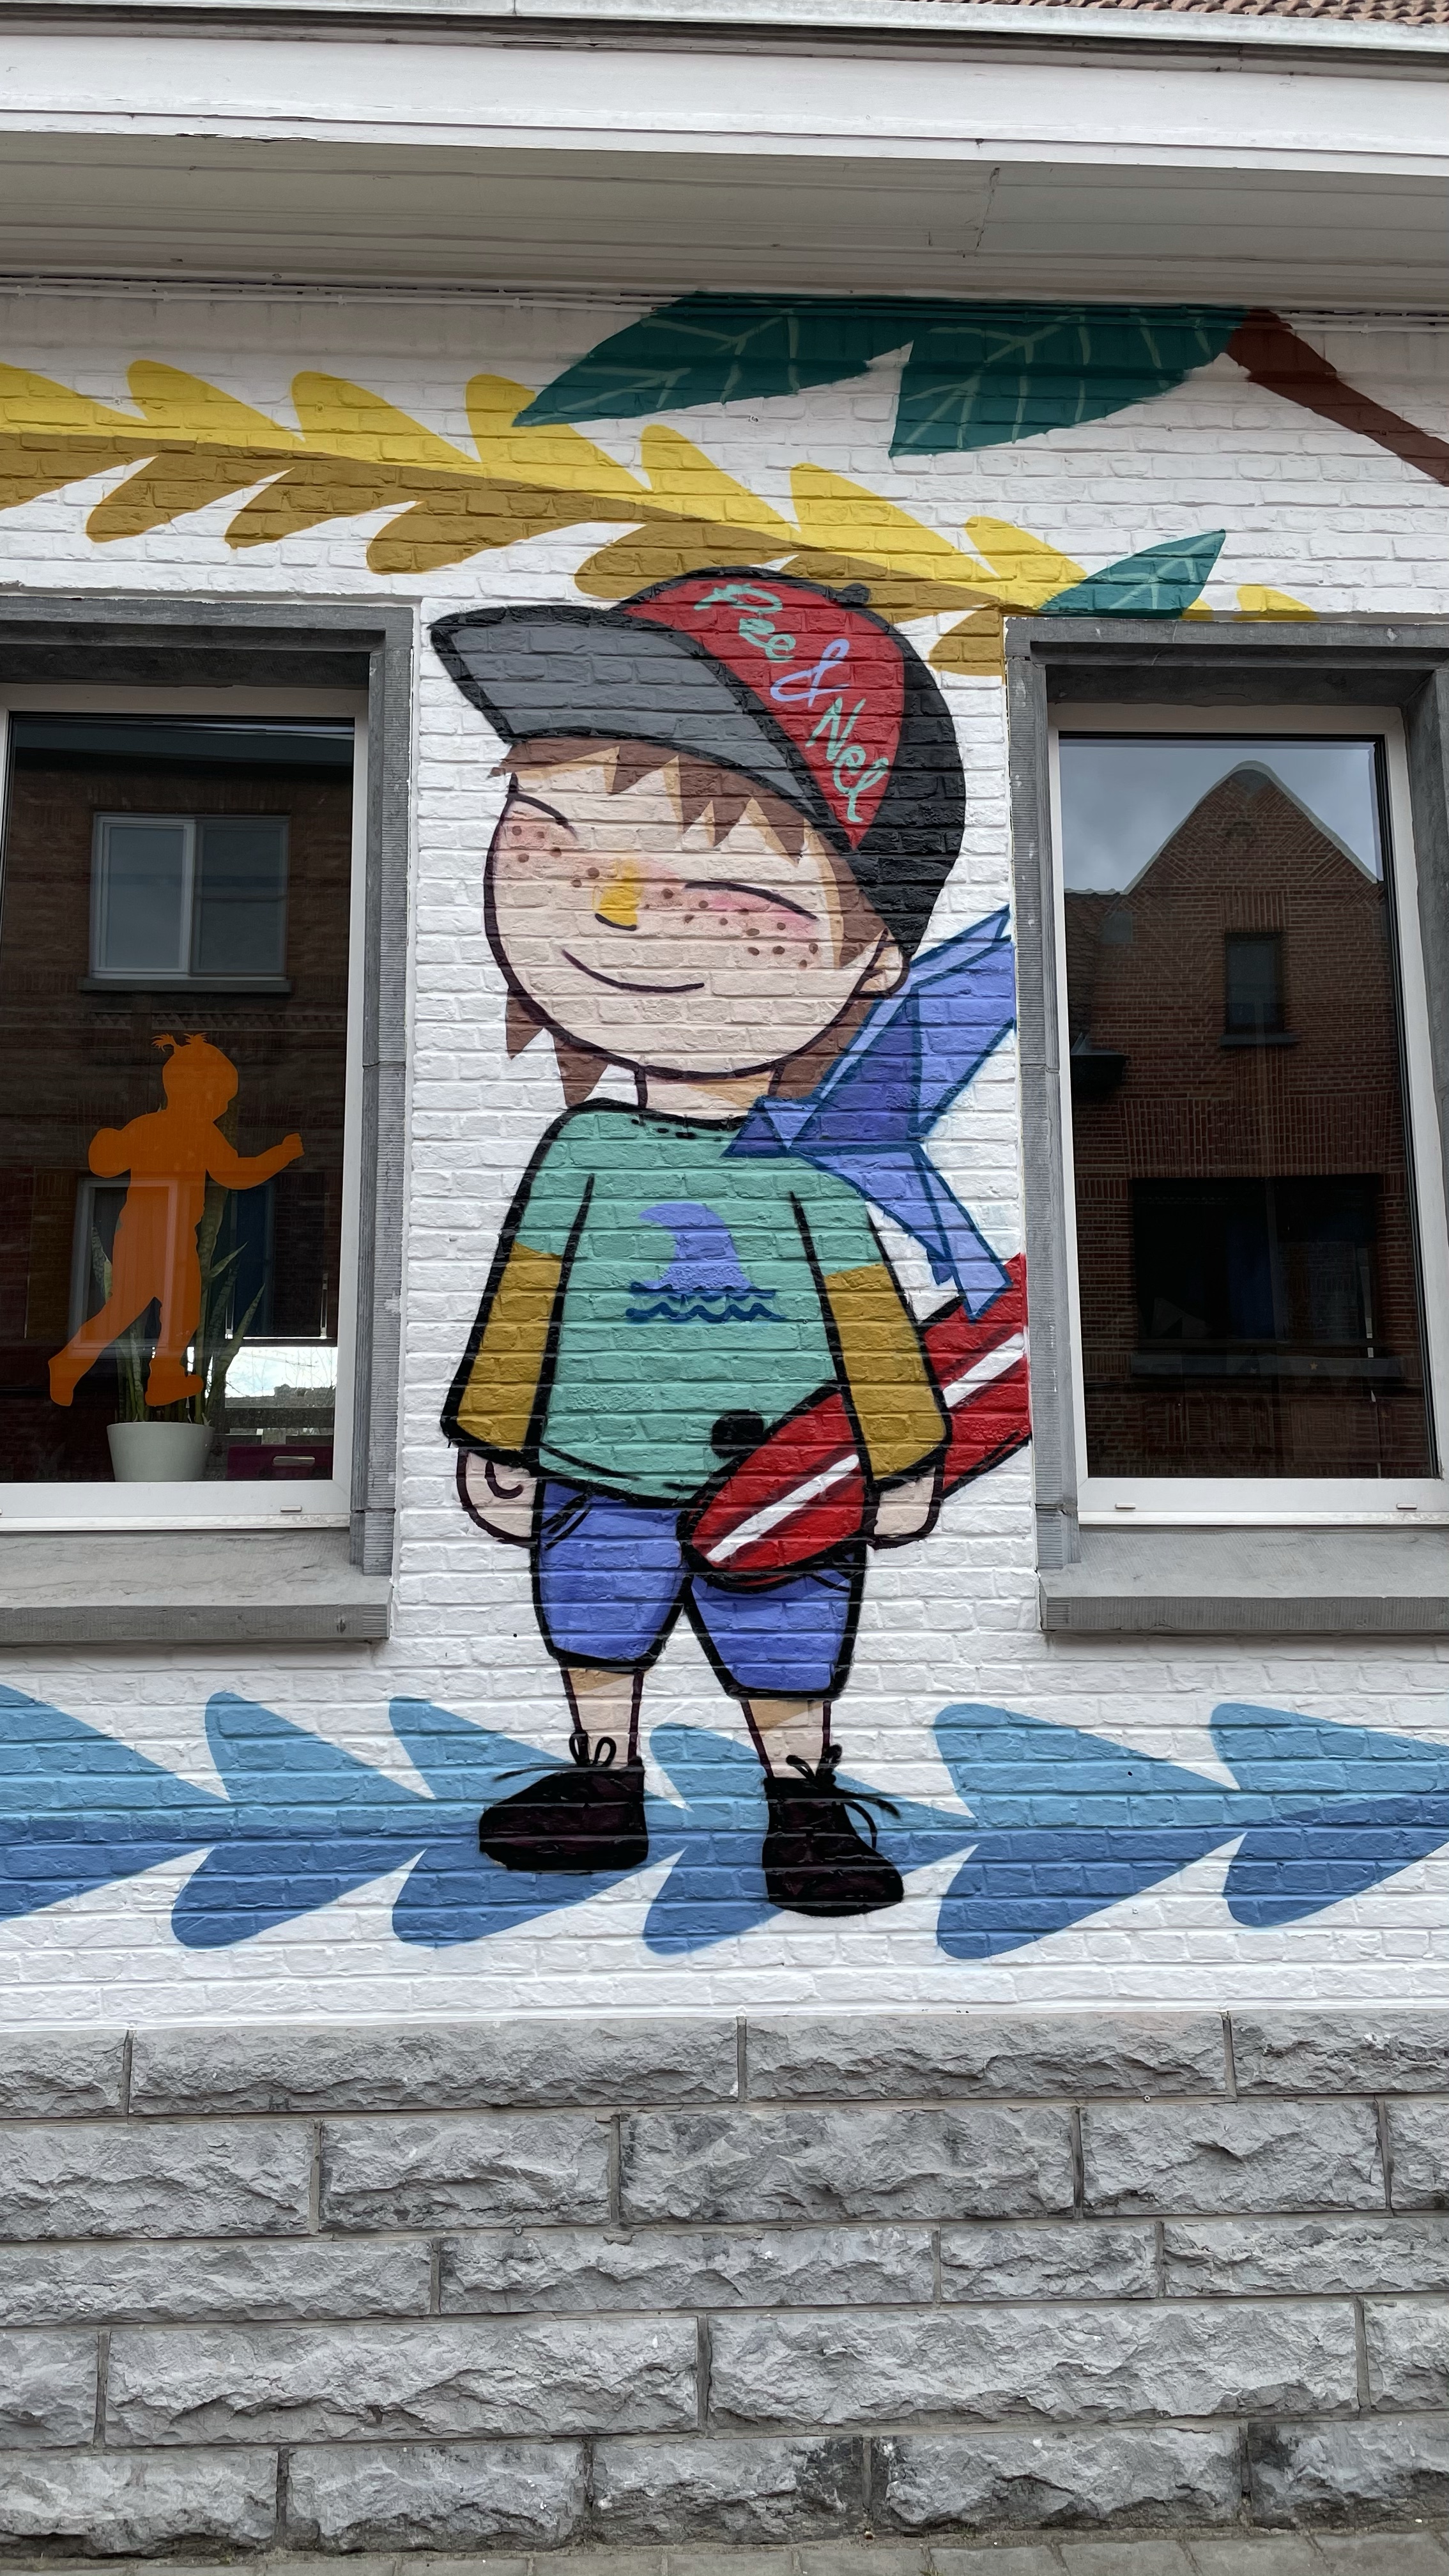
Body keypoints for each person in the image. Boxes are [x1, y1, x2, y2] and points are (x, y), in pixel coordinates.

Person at [434, 569, 967, 1917]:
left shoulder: (811, 1177)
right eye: (561, 839)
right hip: (595, 1462)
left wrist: (901, 1455)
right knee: (594, 1611)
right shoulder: (584, 1151)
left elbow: (869, 1324)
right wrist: (497, 1434)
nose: (619, 913)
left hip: (784, 1474)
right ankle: (601, 1777)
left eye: (721, 886)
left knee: (786, 1631)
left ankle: (800, 1798)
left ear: (874, 957)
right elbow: (526, 1300)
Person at [49, 1032, 302, 1412]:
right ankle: (162, 1374)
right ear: (197, 1094)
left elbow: (106, 1164)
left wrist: (106, 1142)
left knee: (126, 1309)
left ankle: (75, 1364)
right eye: (220, 1098)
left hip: (143, 1231)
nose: (222, 1107)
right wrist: (282, 1154)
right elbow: (236, 1174)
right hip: (163, 1233)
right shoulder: (198, 1132)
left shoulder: (150, 1126)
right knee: (181, 1306)